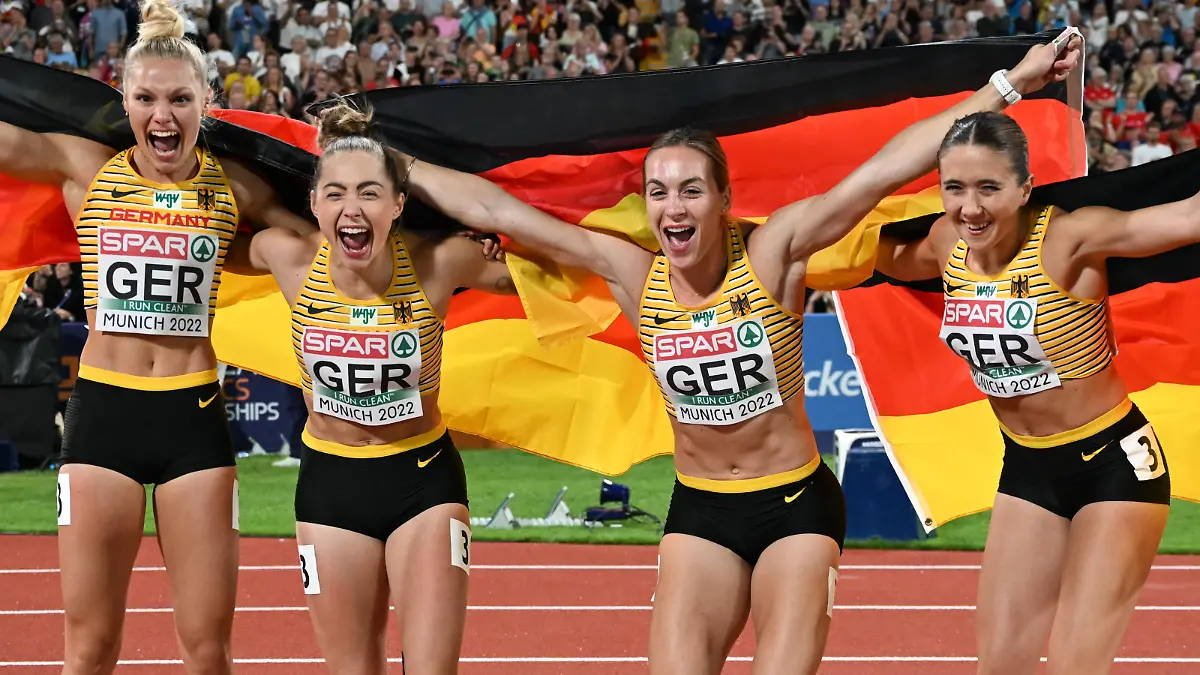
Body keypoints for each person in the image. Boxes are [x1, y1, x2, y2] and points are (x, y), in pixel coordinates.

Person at [388, 34, 1081, 675]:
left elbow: (882, 171)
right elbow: (500, 212)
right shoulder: (634, 274)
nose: (673, 205)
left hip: (796, 509)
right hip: (703, 510)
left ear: (722, 198)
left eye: (691, 188)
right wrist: (393, 164)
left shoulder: (775, 252)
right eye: (658, 191)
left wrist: (1008, 85)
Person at [0, 1, 316, 672]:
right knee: (89, 645)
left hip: (193, 417)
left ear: (206, 102)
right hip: (101, 417)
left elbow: (329, 236)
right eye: (146, 98)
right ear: (125, 102)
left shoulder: (234, 185)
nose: (163, 115)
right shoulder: (85, 167)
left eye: (179, 98)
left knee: (206, 648)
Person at [875, 109, 1185, 675]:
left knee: (1073, 665)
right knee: (1000, 666)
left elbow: (1187, 217)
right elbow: (859, 249)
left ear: (1024, 189)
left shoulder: (1069, 238)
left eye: (989, 187)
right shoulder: (946, 243)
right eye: (955, 187)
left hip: (1113, 465)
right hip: (1028, 468)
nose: (971, 207)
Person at [226, 100, 516, 675]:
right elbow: (208, 231)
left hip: (423, 482)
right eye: (335, 194)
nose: (351, 209)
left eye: (369, 193)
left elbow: (546, 271)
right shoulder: (287, 257)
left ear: (398, 204)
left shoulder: (441, 263)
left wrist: (503, 242)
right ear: (313, 203)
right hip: (331, 485)